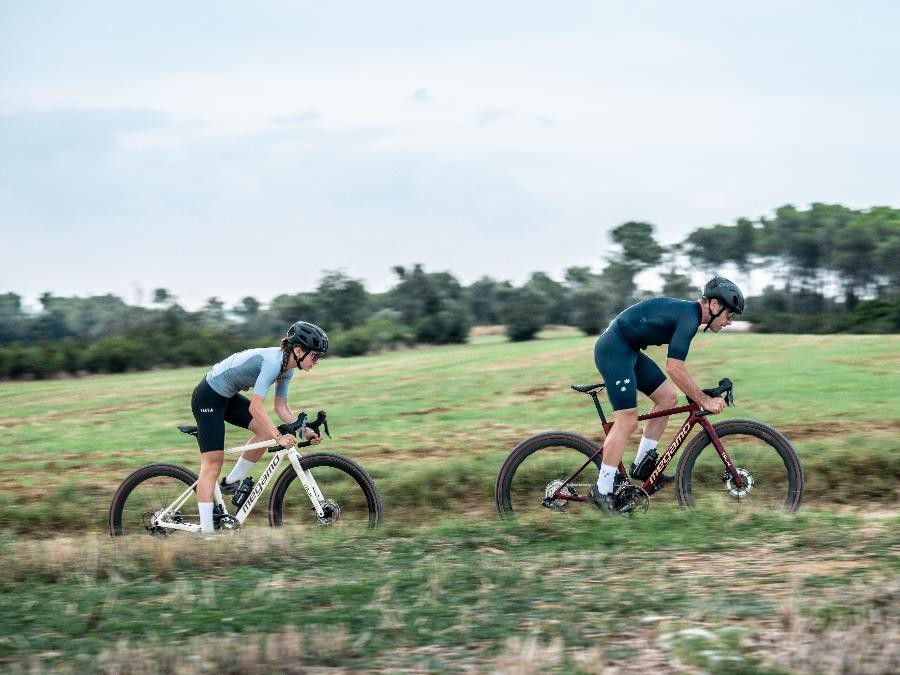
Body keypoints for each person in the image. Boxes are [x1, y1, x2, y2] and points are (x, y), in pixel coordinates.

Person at [589, 276, 745, 514]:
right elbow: (674, 367)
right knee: (627, 420)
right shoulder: (689, 318)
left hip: (628, 349)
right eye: (729, 314)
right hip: (614, 350)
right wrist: (703, 400)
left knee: (667, 397)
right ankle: (602, 489)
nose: (730, 321)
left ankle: (643, 466)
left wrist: (698, 394)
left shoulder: (689, 316)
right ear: (714, 305)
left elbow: (677, 370)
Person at [190, 321, 329, 533]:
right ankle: (207, 536)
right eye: (316, 356)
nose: (317, 361)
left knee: (266, 433)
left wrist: (305, 431)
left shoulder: (287, 368)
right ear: (299, 350)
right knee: (212, 465)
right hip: (208, 397)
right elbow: (256, 407)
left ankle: (231, 482)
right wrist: (279, 437)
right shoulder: (273, 362)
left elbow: (281, 407)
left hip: (227, 397)